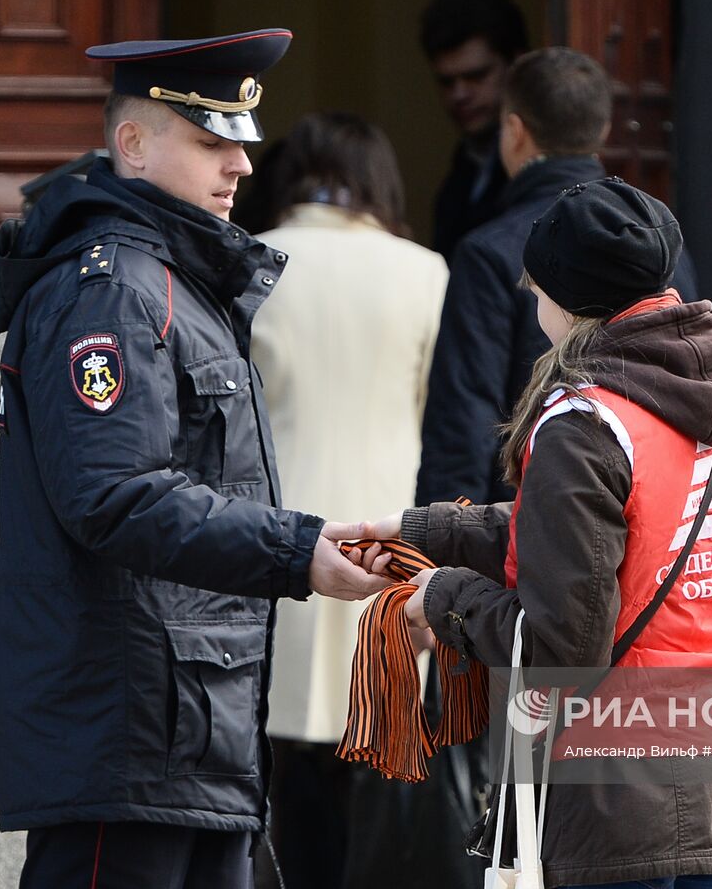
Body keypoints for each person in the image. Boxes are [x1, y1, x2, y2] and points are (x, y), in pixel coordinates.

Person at [0, 30, 390, 889]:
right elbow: (113, 493)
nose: (241, 163)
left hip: (191, 740)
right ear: (131, 144)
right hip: (128, 742)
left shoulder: (177, 282)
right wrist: (294, 549)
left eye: (242, 140)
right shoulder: (113, 289)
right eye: (211, 140)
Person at [360, 177, 712, 889]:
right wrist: (428, 530)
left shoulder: (584, 421)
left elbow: (561, 644)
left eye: (537, 286)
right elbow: (624, 540)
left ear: (570, 298)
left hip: (611, 797)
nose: (531, 299)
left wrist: (441, 597)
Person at [236, 112, 449, 889]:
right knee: (381, 773)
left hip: (278, 541)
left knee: (279, 769)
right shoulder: (426, 272)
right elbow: (441, 415)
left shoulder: (255, 266)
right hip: (390, 545)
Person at [416, 47, 699, 508]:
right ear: (603, 131)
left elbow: (464, 422)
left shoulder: (488, 252)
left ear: (514, 130)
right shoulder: (665, 245)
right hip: (652, 512)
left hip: (531, 526)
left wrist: (437, 547)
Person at [419, 0, 529, 257]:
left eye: (476, 76)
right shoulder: (460, 175)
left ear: (516, 65)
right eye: (446, 82)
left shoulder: (533, 168)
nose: (460, 94)